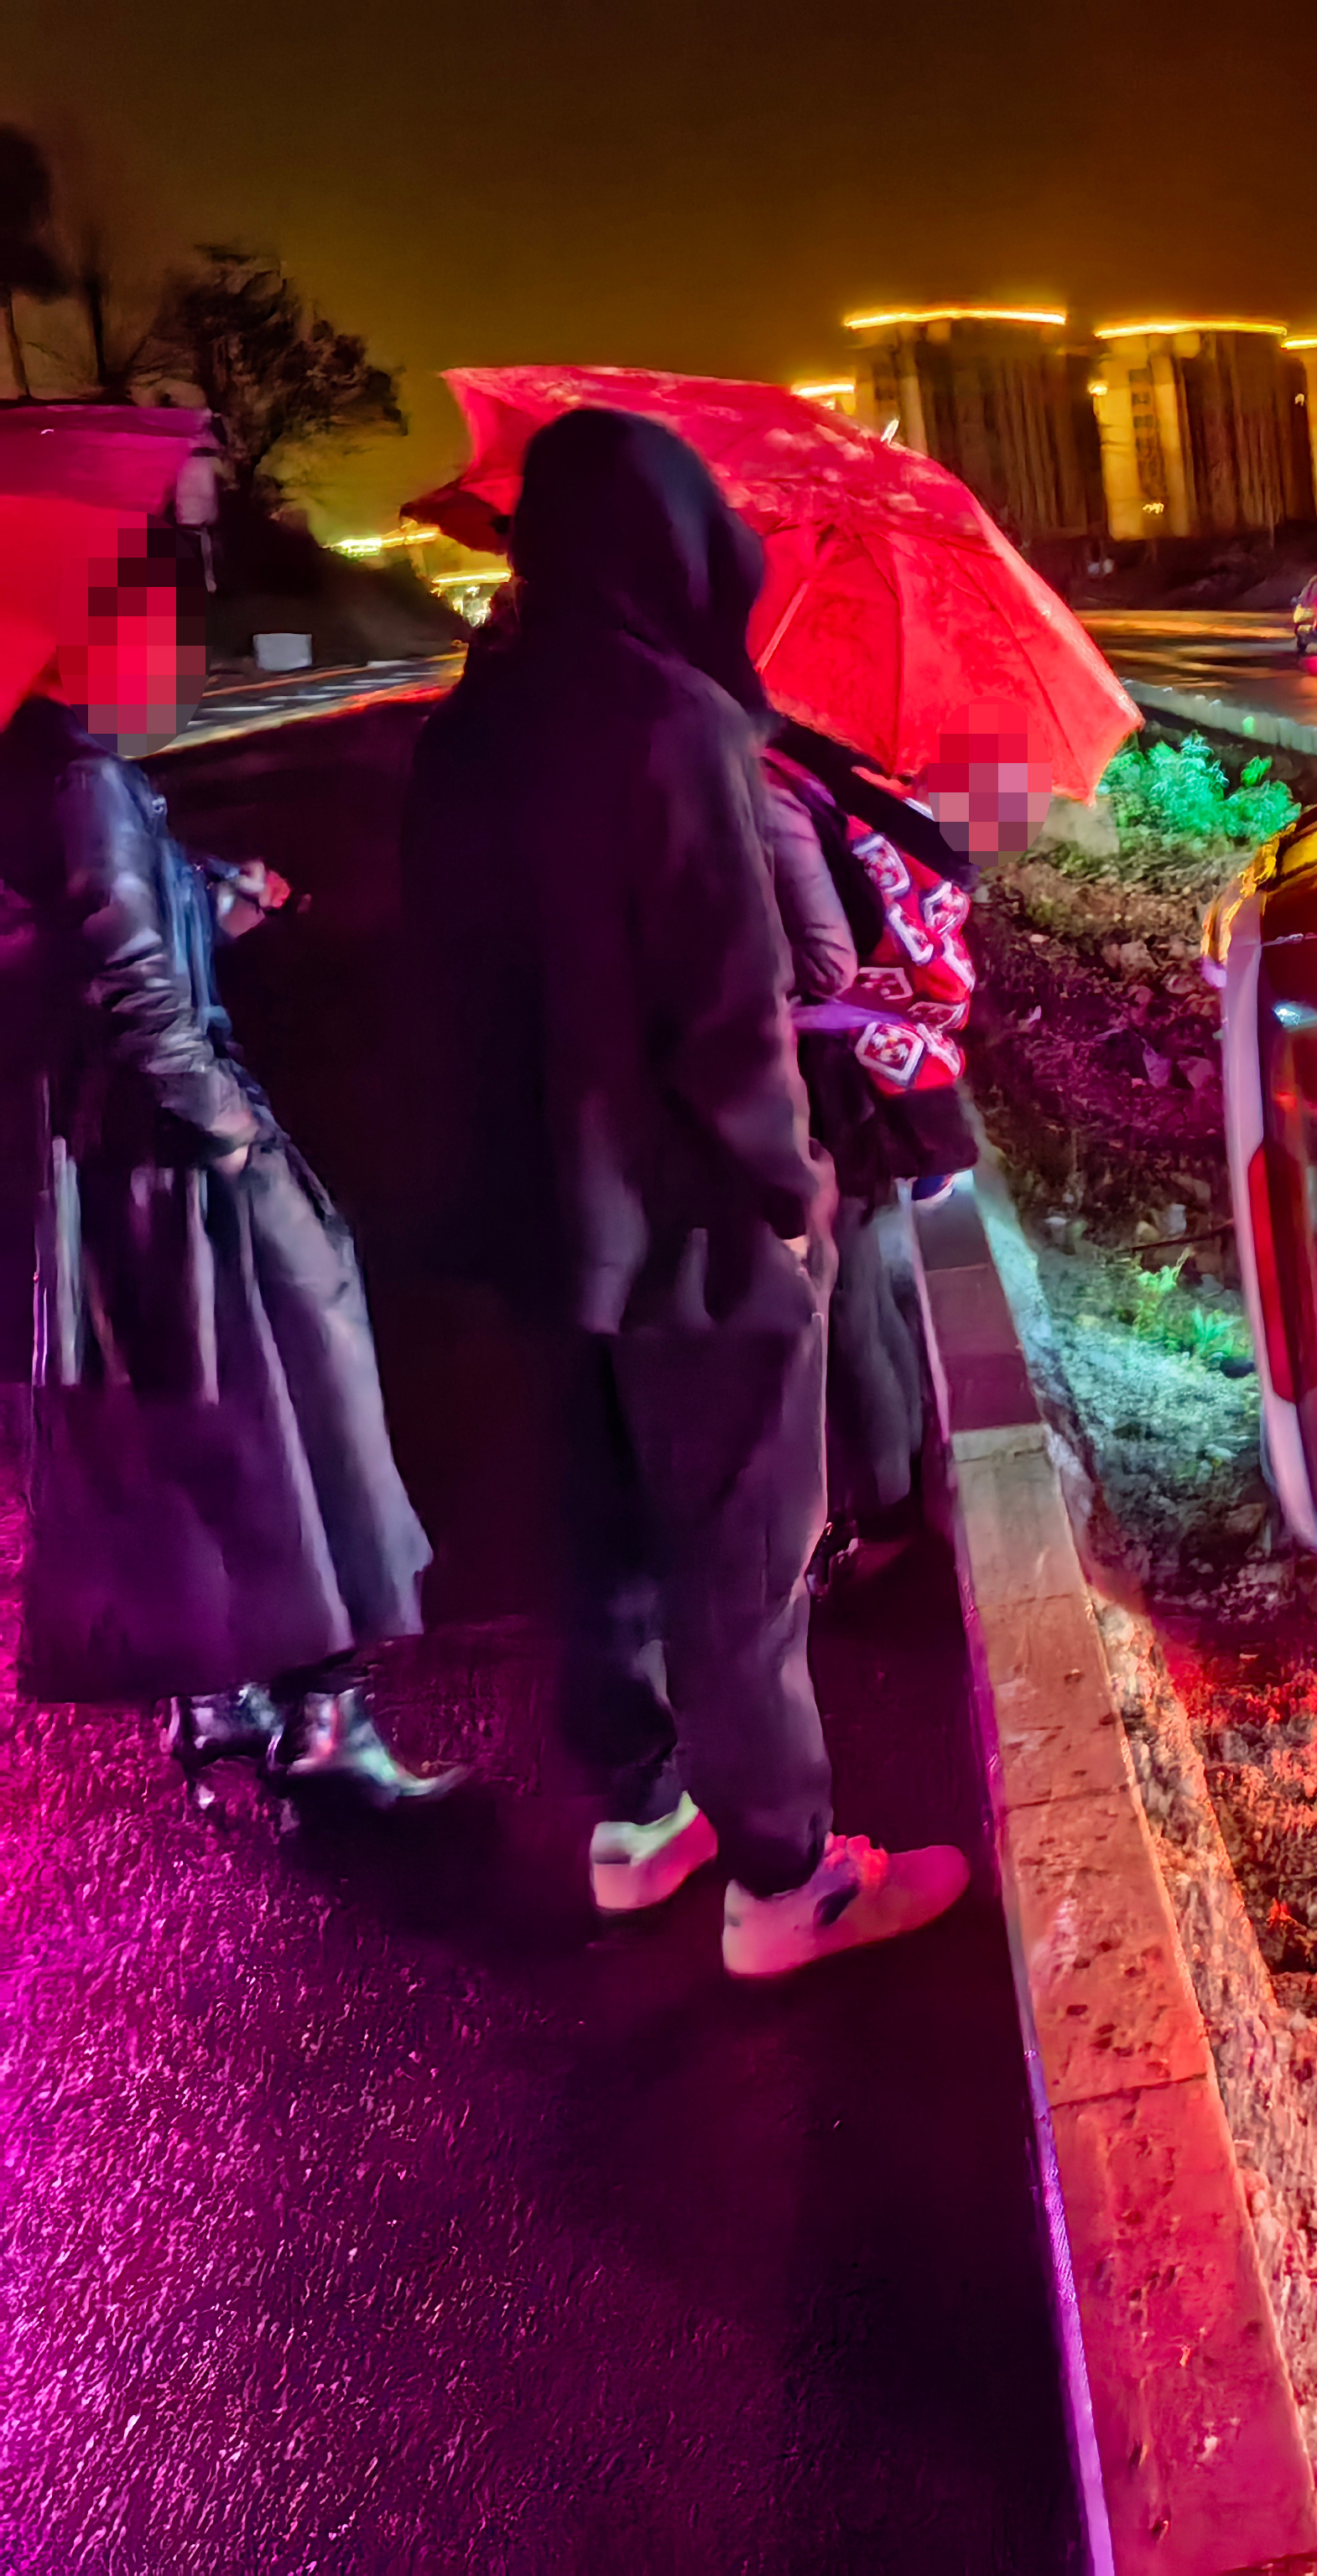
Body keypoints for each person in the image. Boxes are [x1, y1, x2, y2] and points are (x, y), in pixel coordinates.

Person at [398, 407, 964, 1976]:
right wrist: (793, 1200)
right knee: (740, 1550)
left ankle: (637, 1824)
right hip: (695, 1224)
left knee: (599, 1528)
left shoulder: (467, 728)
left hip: (537, 1217)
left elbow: (444, 986)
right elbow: (730, 1014)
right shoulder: (680, 725)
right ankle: (787, 1884)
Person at [1, 431, 458, 1812]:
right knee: (291, 1424)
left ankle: (214, 1705)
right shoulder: (81, 772)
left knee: (167, 1446)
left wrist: (203, 886)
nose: (170, 631)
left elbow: (78, 931)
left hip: (80, 1169)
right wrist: (238, 1139)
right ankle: (329, 1726)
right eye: (148, 603)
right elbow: (134, 982)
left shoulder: (30, 765)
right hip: (175, 1174)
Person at [754, 714, 997, 1582]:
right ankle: (897, 1486)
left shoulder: (777, 786)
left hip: (832, 1074)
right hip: (883, 1069)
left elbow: (822, 959)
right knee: (863, 1293)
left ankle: (887, 1517)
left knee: (846, 1301)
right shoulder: (854, 780)